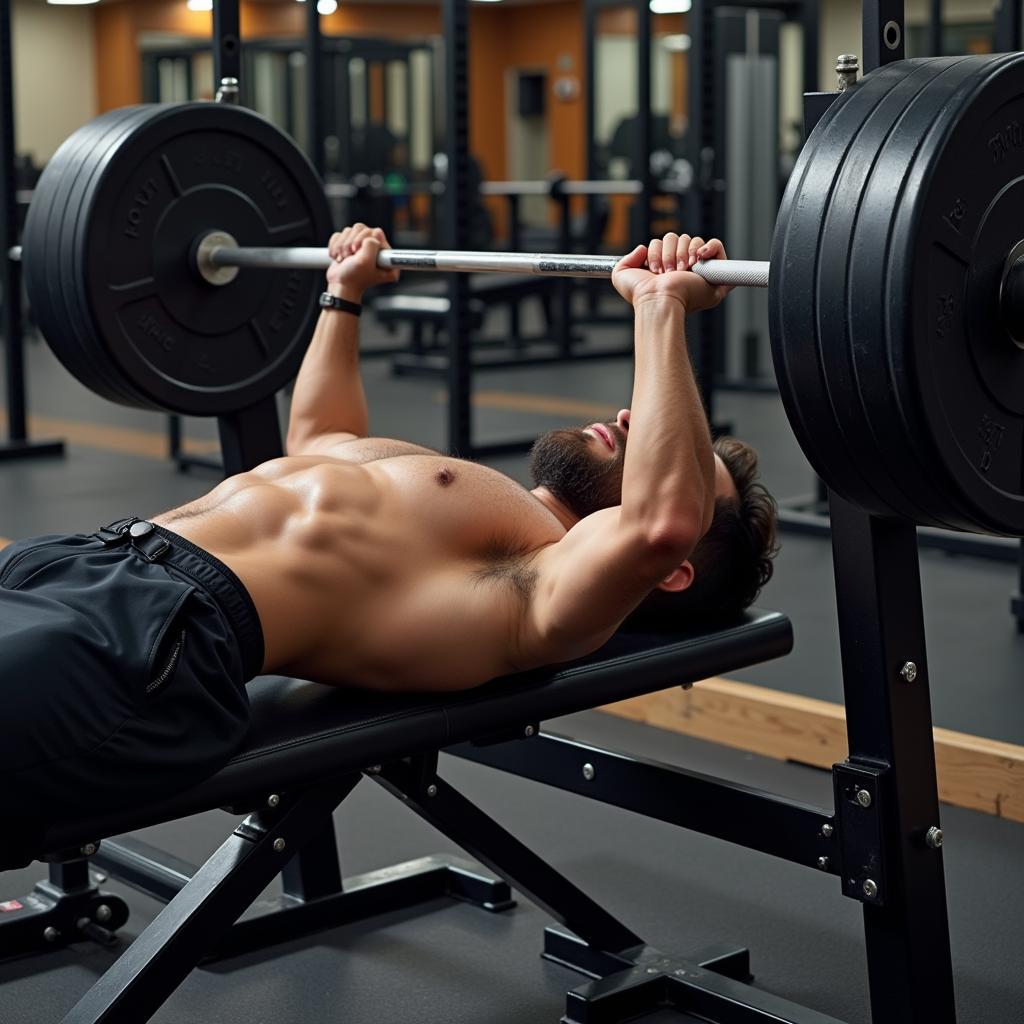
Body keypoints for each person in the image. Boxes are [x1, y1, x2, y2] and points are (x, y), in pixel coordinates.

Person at [0, 226, 777, 824]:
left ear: (674, 572)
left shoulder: (540, 594)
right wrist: (344, 294)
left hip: (147, 646)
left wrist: (660, 306)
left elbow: (658, 524)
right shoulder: (471, 510)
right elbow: (317, 443)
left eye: (670, 448)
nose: (630, 415)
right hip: (73, 567)